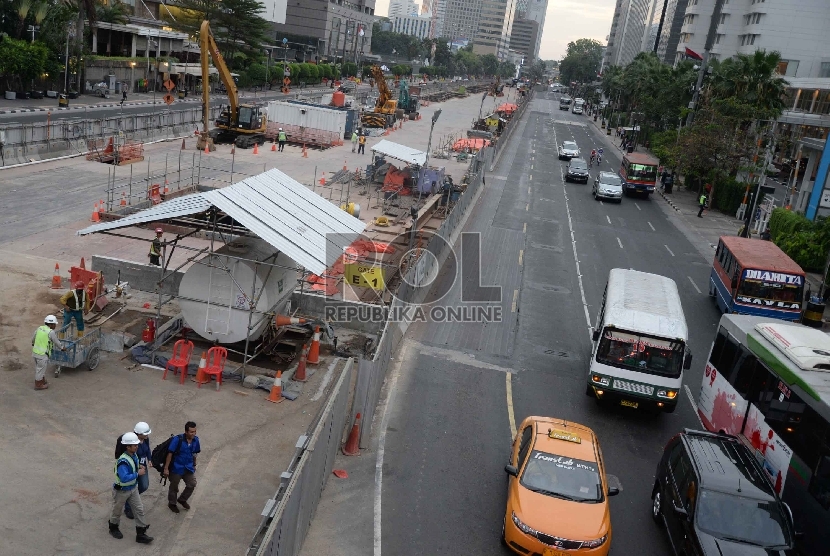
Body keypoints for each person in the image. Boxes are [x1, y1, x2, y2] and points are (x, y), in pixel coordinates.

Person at [109, 432, 154, 544]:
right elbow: (124, 478)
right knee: (117, 511)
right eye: (135, 445)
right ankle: (113, 528)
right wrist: (138, 473)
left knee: (139, 509)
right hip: (122, 491)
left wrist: (139, 466)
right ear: (128, 447)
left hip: (132, 489)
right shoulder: (123, 461)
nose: (137, 447)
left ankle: (141, 533)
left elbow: (134, 465)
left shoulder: (133, 456)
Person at [116, 422, 152, 520]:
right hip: (135, 467)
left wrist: (150, 459)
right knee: (132, 487)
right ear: (139, 434)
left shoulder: (145, 439)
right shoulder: (132, 443)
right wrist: (137, 469)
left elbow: (148, 449)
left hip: (142, 466)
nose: (147, 435)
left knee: (144, 486)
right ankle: (128, 506)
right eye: (145, 433)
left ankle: (131, 499)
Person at [164, 421, 201, 513]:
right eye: (191, 432)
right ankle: (172, 503)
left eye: (194, 431)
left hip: (188, 467)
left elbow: (195, 453)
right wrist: (166, 468)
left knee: (192, 483)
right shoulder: (177, 439)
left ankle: (182, 499)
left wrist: (194, 464)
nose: (193, 434)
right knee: (174, 487)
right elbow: (170, 454)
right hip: (176, 468)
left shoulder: (196, 440)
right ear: (186, 432)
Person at [32, 315, 64, 390]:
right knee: (40, 370)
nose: (55, 326)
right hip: (42, 355)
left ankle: (42, 381)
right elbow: (56, 342)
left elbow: (33, 338)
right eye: (55, 324)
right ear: (51, 324)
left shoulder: (39, 328)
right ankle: (38, 385)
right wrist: (62, 348)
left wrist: (33, 344)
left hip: (35, 353)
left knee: (39, 368)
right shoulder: (51, 332)